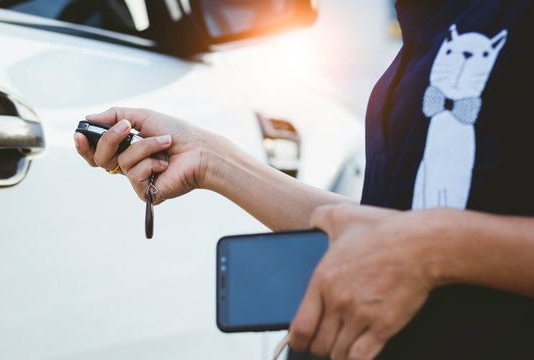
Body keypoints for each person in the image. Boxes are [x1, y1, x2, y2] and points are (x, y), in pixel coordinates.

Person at [74, 0, 534, 359]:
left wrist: (430, 248)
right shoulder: (433, 27)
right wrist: (211, 159)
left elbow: (410, 243)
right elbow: (385, 233)